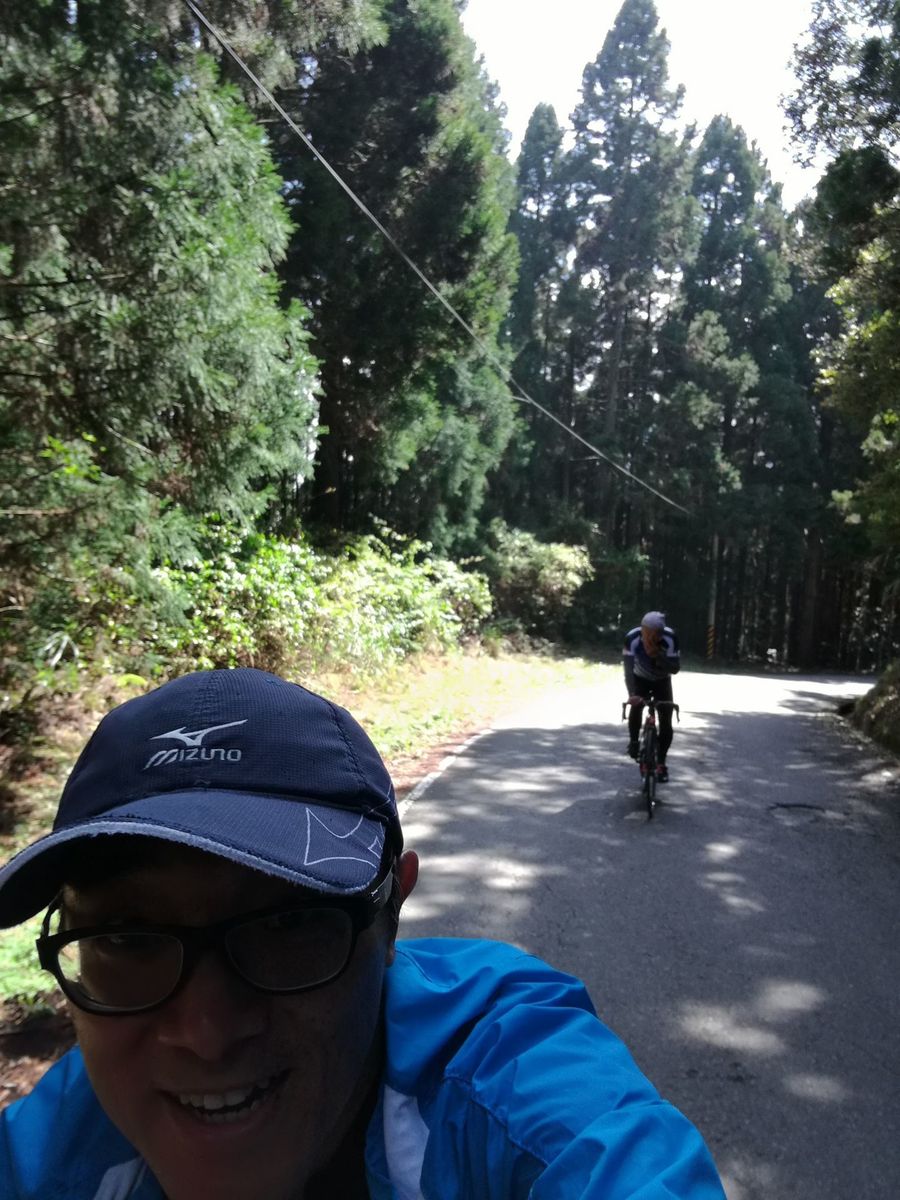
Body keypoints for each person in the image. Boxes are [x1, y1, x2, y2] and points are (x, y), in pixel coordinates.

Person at [0, 667, 723, 1199]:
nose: (206, 1033)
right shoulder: (54, 1138)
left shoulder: (506, 1075)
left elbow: (613, 1158)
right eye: (127, 938)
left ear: (391, 913)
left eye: (287, 925)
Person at [623, 611, 681, 782]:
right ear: (643, 630)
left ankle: (661, 762)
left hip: (662, 681)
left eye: (658, 634)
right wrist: (632, 694)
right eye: (649, 633)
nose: (654, 637)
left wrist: (659, 657)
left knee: (666, 719)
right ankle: (634, 741)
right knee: (636, 706)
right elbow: (628, 670)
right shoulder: (632, 638)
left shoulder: (670, 638)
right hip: (639, 678)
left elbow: (675, 669)